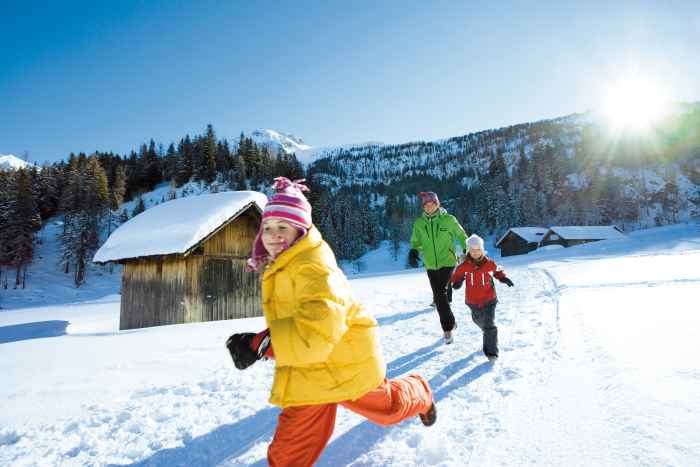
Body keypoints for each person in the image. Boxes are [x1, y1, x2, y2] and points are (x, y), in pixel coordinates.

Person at [226, 177, 436, 467]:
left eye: (283, 228)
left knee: (389, 408)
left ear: (301, 229)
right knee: (287, 456)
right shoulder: (285, 262)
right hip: (309, 370)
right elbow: (299, 320)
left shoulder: (314, 267)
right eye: (268, 228)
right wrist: (265, 341)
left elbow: (317, 325)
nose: (273, 235)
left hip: (345, 361)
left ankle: (420, 390)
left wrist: (260, 343)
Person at [408, 191, 467, 344]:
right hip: (430, 264)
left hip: (447, 262)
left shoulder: (448, 220)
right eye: (425, 205)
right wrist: (413, 250)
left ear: (437, 204)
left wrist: (467, 250)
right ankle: (451, 322)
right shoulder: (419, 223)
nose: (428, 207)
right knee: (439, 294)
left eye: (431, 204)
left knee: (440, 295)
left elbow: (461, 236)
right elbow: (415, 241)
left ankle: (447, 329)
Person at [450, 234, 514, 360]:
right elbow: (456, 276)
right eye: (472, 250)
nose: (475, 252)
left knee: (489, 325)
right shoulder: (464, 266)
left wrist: (503, 278)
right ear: (469, 250)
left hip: (489, 299)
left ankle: (491, 352)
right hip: (472, 301)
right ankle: (489, 335)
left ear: (482, 250)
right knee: (479, 322)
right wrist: (457, 282)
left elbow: (497, 271)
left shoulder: (490, 263)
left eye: (478, 249)